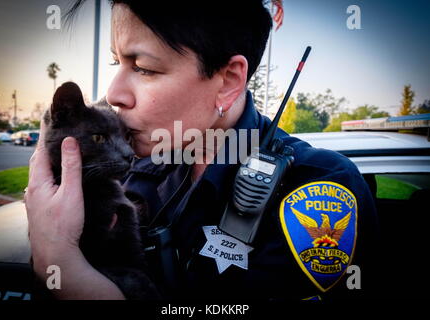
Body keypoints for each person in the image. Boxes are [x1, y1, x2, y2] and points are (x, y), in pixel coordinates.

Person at [25, 0, 378, 300]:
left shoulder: (315, 191)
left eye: (144, 67)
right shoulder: (132, 165)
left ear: (227, 82)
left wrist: (65, 270)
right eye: (117, 63)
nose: (114, 93)